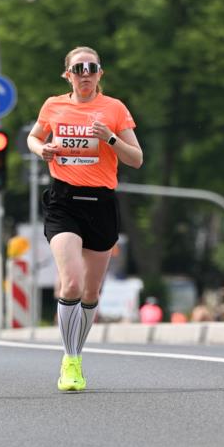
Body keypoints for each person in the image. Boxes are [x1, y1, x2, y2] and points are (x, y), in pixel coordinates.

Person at [28, 46, 142, 390]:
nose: (86, 73)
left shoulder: (114, 109)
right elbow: (34, 137)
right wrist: (41, 149)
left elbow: (136, 158)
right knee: (72, 283)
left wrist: (108, 138)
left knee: (91, 292)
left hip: (101, 204)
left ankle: (76, 350)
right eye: (79, 68)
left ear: (100, 74)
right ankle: (71, 360)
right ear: (68, 75)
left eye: (92, 68)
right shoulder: (53, 105)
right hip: (64, 202)